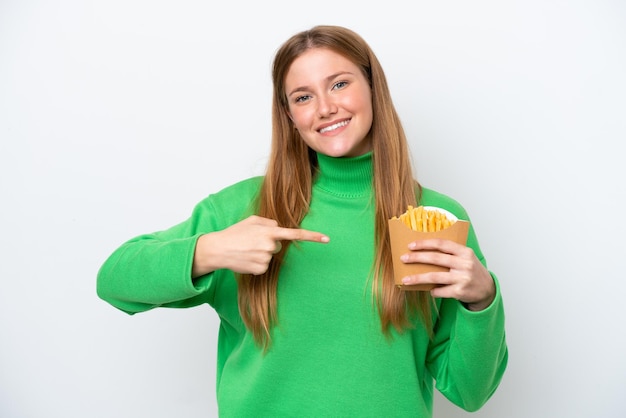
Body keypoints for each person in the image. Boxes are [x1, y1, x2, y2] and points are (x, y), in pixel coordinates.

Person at [97, 25, 508, 417]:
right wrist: (210, 250)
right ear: (289, 115)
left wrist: (482, 298)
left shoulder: (433, 219)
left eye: (340, 84)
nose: (326, 107)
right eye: (302, 97)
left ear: (373, 88)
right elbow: (114, 281)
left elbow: (470, 392)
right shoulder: (243, 210)